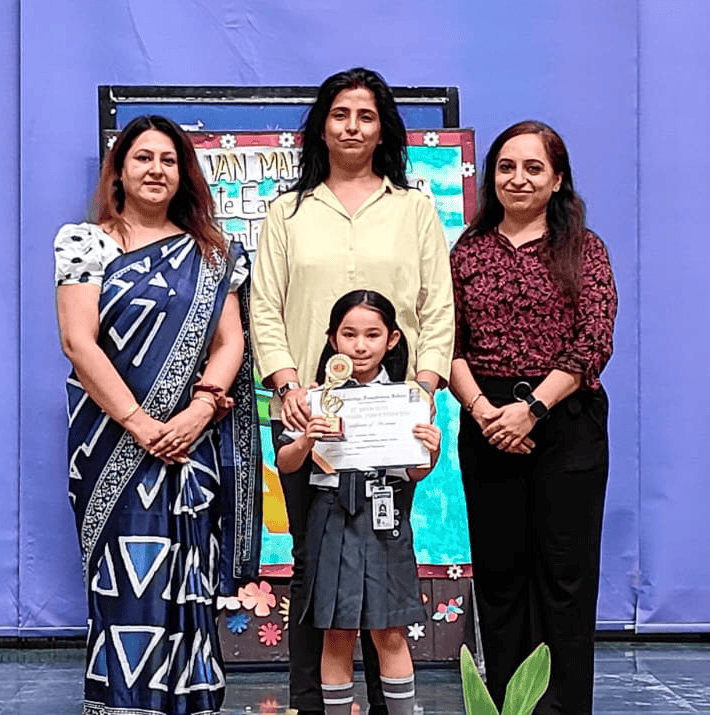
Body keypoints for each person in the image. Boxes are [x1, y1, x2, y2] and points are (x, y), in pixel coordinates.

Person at [249, 67, 455, 715]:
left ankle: (389, 701)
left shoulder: (415, 207)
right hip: (313, 413)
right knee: (317, 564)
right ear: (322, 125)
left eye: (366, 116)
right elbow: (264, 309)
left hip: (394, 417)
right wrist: (286, 385)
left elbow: (438, 307)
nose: (352, 127)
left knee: (381, 559)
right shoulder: (288, 211)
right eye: (340, 114)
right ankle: (316, 703)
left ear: (383, 127)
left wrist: (421, 392)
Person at [54, 114, 260, 715]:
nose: (156, 170)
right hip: (111, 444)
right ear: (119, 170)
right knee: (125, 583)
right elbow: (78, 343)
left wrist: (199, 410)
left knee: (184, 582)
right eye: (142, 158)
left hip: (190, 448)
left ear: (184, 174)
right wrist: (142, 425)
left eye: (168, 160)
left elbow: (230, 341)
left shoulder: (212, 253)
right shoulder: (84, 242)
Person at [449, 121, 617, 715]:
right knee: (500, 578)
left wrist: (533, 409)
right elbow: (449, 343)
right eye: (506, 167)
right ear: (491, 176)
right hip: (486, 417)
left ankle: (564, 708)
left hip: (563, 420)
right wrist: (485, 412)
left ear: (558, 179)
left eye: (533, 168)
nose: (518, 179)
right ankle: (505, 709)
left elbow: (592, 341)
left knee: (564, 581)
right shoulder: (466, 251)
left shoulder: (584, 249)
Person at [274, 290, 439, 715]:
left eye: (372, 334)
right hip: (331, 518)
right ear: (332, 340)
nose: (360, 345)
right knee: (336, 631)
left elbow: (417, 471)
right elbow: (286, 462)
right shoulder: (314, 398)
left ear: (393, 340)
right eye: (349, 334)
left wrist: (431, 451)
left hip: (385, 519)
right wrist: (308, 436)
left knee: (390, 631)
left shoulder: (407, 400)